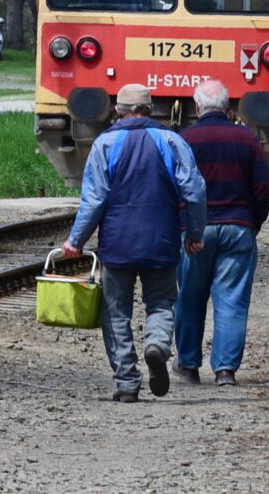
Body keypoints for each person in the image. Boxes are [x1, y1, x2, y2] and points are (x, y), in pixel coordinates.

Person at [56, 82, 207, 401]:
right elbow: (194, 191)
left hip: (117, 243)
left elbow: (94, 200)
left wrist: (76, 241)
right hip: (162, 241)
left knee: (116, 313)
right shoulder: (171, 140)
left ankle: (126, 383)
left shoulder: (105, 144)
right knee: (162, 302)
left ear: (118, 110)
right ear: (149, 109)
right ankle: (156, 344)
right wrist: (194, 234)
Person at [174, 78, 269, 386]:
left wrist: (181, 223)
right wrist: (252, 221)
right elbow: (264, 186)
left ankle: (188, 365)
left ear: (197, 107)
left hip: (195, 231)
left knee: (190, 297)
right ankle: (225, 371)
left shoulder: (184, 139)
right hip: (238, 226)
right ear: (228, 107)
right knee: (231, 299)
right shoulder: (247, 140)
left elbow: (174, 187)